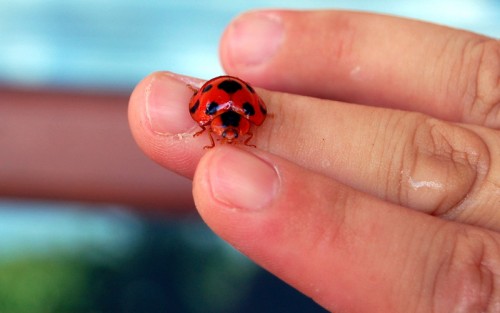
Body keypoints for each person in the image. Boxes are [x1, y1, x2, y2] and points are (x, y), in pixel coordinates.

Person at [128, 10, 500, 312]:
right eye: (226, 133)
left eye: (230, 132)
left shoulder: (223, 118)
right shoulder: (228, 117)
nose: (228, 137)